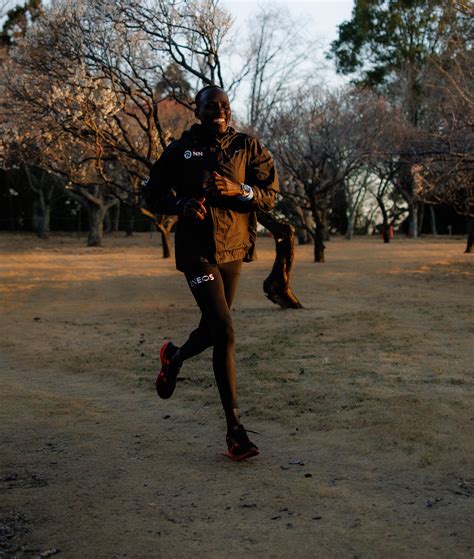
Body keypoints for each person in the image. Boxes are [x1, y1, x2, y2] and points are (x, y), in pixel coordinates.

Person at [141, 85, 279, 460]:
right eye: (211, 106)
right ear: (197, 110)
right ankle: (235, 430)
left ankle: (174, 357)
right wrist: (180, 204)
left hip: (233, 249)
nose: (219, 110)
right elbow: (151, 193)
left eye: (224, 105)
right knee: (226, 332)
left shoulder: (246, 147)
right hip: (197, 252)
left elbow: (271, 192)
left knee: (214, 329)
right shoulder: (181, 150)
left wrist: (240, 189)